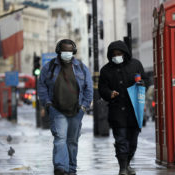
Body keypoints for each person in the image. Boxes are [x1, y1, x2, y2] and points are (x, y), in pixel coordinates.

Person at [38, 39, 93, 175]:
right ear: (58, 51)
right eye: (64, 50)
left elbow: (89, 88)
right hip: (57, 109)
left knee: (72, 141)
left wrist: (84, 107)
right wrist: (48, 104)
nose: (67, 53)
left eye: (69, 51)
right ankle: (60, 167)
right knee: (60, 138)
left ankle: (71, 168)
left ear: (73, 52)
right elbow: (41, 85)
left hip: (76, 110)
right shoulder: (49, 67)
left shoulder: (81, 67)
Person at [99, 40, 146, 175]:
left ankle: (128, 163)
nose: (117, 56)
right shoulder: (106, 70)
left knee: (133, 142)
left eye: (119, 53)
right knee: (120, 140)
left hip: (134, 110)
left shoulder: (136, 65)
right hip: (116, 110)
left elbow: (146, 79)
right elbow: (102, 88)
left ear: (125, 53)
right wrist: (109, 93)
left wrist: (142, 83)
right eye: (114, 54)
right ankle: (123, 168)